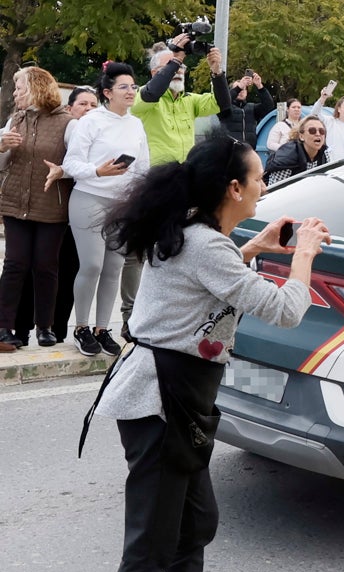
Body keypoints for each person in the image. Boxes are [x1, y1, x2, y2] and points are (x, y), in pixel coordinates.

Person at [83, 133, 331, 572]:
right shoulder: (203, 244)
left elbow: (208, 288)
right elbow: (286, 309)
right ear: (234, 187)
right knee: (149, 546)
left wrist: (258, 248)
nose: (265, 186)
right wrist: (302, 257)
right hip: (159, 402)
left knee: (194, 527)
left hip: (178, 399)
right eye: (259, 177)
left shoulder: (196, 235)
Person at [124, 38, 231, 341]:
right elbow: (152, 92)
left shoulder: (189, 101)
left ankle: (165, 314)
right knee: (142, 254)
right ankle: (129, 317)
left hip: (185, 188)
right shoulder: (144, 100)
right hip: (154, 186)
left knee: (174, 250)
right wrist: (174, 58)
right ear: (157, 72)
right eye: (172, 68)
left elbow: (223, 105)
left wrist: (217, 72)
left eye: (181, 68)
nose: (179, 71)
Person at [43, 61, 150, 358]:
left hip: (123, 205)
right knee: (91, 265)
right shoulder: (91, 121)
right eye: (124, 87)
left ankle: (103, 329)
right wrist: (98, 172)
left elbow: (144, 168)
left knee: (114, 267)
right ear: (108, 92)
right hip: (89, 197)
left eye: (133, 86)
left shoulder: (136, 123)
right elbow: (72, 164)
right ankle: (81, 328)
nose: (131, 92)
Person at [14, 85, 99, 346]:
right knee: (34, 268)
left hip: (81, 213)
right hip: (51, 209)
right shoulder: (60, 130)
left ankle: (57, 330)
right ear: (69, 107)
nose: (88, 109)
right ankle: (20, 328)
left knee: (70, 269)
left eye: (93, 105)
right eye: (82, 104)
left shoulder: (98, 137)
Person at [0, 67, 74, 349]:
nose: (16, 92)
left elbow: (75, 163)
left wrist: (62, 170)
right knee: (15, 263)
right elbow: (2, 165)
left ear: (37, 88)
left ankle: (45, 327)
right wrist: (1, 146)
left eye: (20, 87)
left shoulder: (67, 123)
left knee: (45, 266)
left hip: (50, 205)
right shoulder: (14, 119)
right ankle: (3, 326)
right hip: (15, 203)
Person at [263, 114, 330, 184]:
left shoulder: (324, 153)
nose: (318, 134)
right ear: (301, 136)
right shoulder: (287, 156)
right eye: (312, 130)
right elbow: (276, 188)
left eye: (322, 131)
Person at [218, 70, 274, 148]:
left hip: (248, 150)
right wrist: (239, 87)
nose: (241, 91)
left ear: (247, 92)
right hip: (230, 149)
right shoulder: (226, 108)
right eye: (239, 89)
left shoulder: (252, 108)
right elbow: (223, 102)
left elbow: (269, 106)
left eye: (243, 89)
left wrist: (260, 86)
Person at [309, 86, 344, 161]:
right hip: (331, 163)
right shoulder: (330, 121)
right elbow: (314, 114)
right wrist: (323, 98)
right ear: (339, 109)